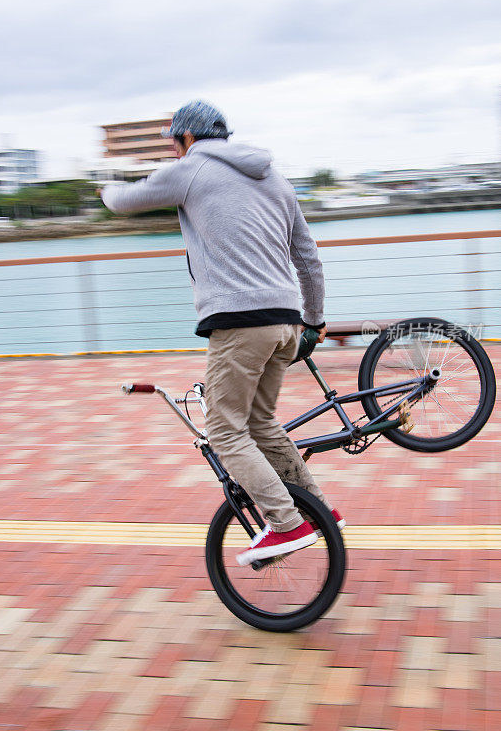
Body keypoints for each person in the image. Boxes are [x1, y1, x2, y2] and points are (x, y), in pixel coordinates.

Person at [100, 100, 344, 565]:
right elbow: (309, 258)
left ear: (186, 138)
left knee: (224, 430)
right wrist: (314, 320)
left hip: (240, 323)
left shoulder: (191, 169)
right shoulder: (275, 178)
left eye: (175, 142)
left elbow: (124, 201)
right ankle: (319, 511)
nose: (175, 151)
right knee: (261, 423)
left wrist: (104, 187)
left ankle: (287, 523)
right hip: (286, 321)